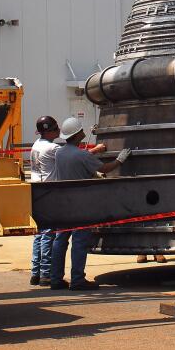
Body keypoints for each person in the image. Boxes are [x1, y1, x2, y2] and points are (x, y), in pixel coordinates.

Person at [50, 117, 132, 291]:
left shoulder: (60, 153)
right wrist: (120, 160)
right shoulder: (82, 155)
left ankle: (55, 278)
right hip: (80, 204)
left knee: (60, 240)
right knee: (79, 242)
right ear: (78, 134)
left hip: (62, 203)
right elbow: (104, 168)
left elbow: (77, 169)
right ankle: (77, 280)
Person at [30, 115, 61, 285]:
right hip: (49, 192)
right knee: (49, 234)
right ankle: (45, 274)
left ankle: (35, 272)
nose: (58, 131)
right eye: (56, 129)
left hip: (37, 190)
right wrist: (96, 150)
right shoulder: (52, 148)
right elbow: (72, 156)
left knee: (39, 234)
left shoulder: (36, 145)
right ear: (49, 131)